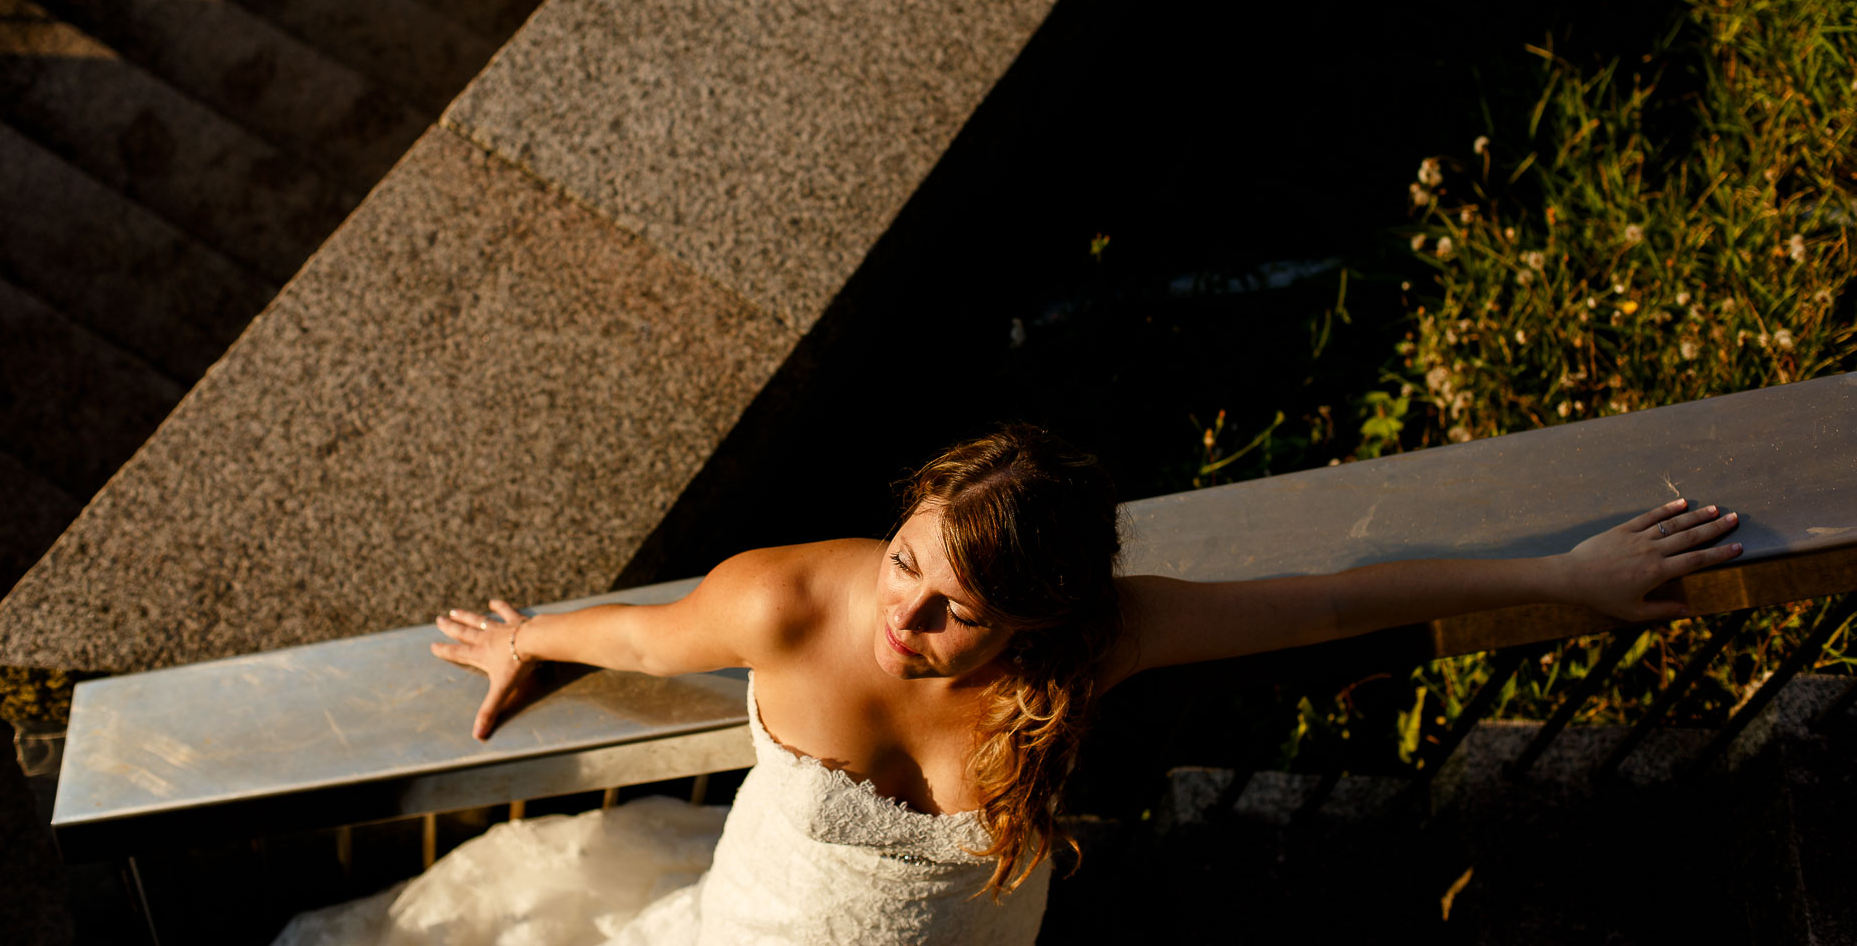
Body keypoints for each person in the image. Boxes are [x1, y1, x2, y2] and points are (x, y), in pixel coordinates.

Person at [276, 424, 1743, 946]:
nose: (899, 614)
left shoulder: (1093, 645)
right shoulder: (793, 602)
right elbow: (659, 638)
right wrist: (533, 637)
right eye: (905, 558)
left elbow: (1340, 597)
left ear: (1037, 617)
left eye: (950, 606)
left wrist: (1565, 577)